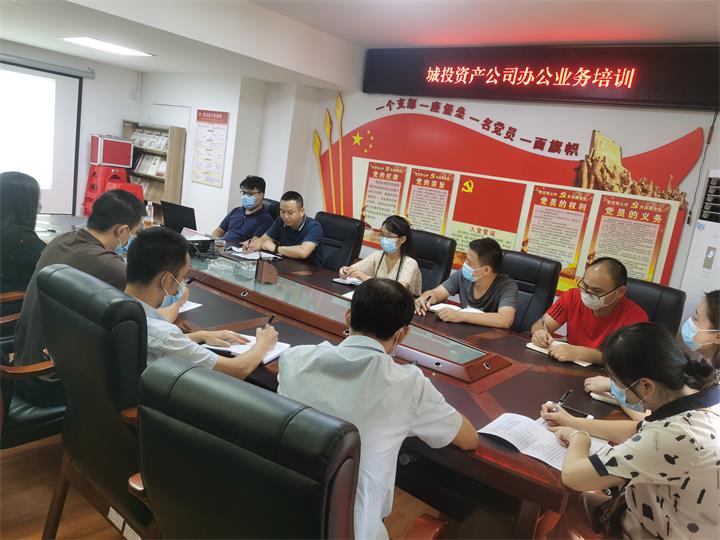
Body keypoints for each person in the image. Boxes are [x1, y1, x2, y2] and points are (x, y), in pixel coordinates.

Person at [278, 277, 478, 540]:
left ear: (348, 317)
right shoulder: (407, 385)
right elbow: (469, 439)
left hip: (279, 518)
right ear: (402, 334)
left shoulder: (294, 359)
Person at [540, 322, 719, 539]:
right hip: (666, 513)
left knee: (564, 503)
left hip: (656, 530)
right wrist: (572, 421)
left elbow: (574, 476)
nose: (614, 388)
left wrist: (579, 438)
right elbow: (638, 429)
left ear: (646, 386)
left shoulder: (674, 436)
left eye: (617, 382)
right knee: (570, 506)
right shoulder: (703, 394)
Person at [13, 190, 145, 405]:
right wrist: (177, 303)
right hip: (49, 379)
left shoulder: (61, 240)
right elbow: (145, 317)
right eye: (134, 233)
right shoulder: (111, 266)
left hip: (23, 362)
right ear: (122, 230)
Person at [126, 227, 278, 378]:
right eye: (182, 278)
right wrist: (263, 344)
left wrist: (200, 335)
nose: (182, 284)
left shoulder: (118, 301)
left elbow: (158, 344)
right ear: (166, 281)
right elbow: (237, 369)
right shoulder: (162, 333)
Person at [531, 257, 648, 365]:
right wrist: (539, 333)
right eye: (585, 286)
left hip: (604, 375)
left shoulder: (636, 317)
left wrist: (580, 353)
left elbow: (625, 359)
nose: (587, 294)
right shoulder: (572, 296)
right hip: (568, 365)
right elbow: (541, 324)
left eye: (596, 291)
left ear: (620, 292)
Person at [414, 238, 518, 329]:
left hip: (488, 338)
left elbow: (505, 320)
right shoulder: (463, 275)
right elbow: (437, 293)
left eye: (469, 262)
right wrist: (425, 298)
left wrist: (461, 316)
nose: (464, 264)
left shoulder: (507, 286)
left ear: (486, 270)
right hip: (462, 332)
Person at [339, 215, 422, 296]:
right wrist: (345, 270)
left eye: (389, 236)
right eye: (382, 234)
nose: (384, 239)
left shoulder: (410, 263)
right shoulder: (377, 255)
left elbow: (399, 290)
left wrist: (364, 277)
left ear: (402, 239)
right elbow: (353, 270)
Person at [244, 191, 325, 266]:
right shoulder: (280, 221)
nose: (285, 216)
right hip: (287, 265)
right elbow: (264, 239)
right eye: (282, 212)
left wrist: (276, 249)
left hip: (311, 270)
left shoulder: (314, 226)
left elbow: (303, 252)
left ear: (301, 212)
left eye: (290, 213)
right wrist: (252, 246)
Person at [0, 171, 45, 294]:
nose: (39, 206)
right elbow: (53, 261)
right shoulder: (16, 236)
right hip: (13, 299)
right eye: (36, 199)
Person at [211, 175, 273, 244]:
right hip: (221, 246)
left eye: (250, 194)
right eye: (244, 193)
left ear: (260, 195)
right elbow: (219, 230)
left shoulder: (265, 220)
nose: (245, 197)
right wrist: (214, 242)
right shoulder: (236, 211)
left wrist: (229, 246)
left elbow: (253, 243)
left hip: (237, 249)